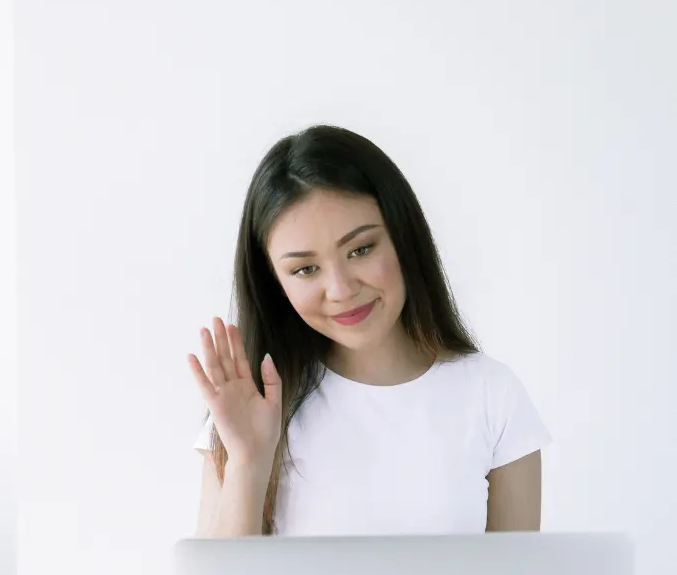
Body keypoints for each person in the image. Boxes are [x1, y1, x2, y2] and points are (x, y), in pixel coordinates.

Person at [189, 124, 550, 539]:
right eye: (305, 269)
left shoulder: (492, 395)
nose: (341, 289)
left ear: (403, 237)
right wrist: (247, 461)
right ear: (274, 282)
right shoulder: (249, 407)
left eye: (361, 249)